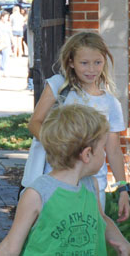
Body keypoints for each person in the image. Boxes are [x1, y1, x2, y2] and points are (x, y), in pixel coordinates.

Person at [0, 104, 130, 255]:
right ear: (87, 154)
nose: (104, 154)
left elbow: (101, 219)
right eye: (102, 148)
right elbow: (10, 246)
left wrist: (123, 242)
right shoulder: (38, 193)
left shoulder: (91, 185)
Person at [27, 32, 130, 215]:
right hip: (57, 179)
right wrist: (62, 147)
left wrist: (123, 189)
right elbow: (35, 123)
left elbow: (113, 149)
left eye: (97, 62)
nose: (91, 69)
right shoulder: (58, 86)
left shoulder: (110, 103)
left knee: (90, 232)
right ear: (71, 62)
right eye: (84, 63)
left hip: (94, 184)